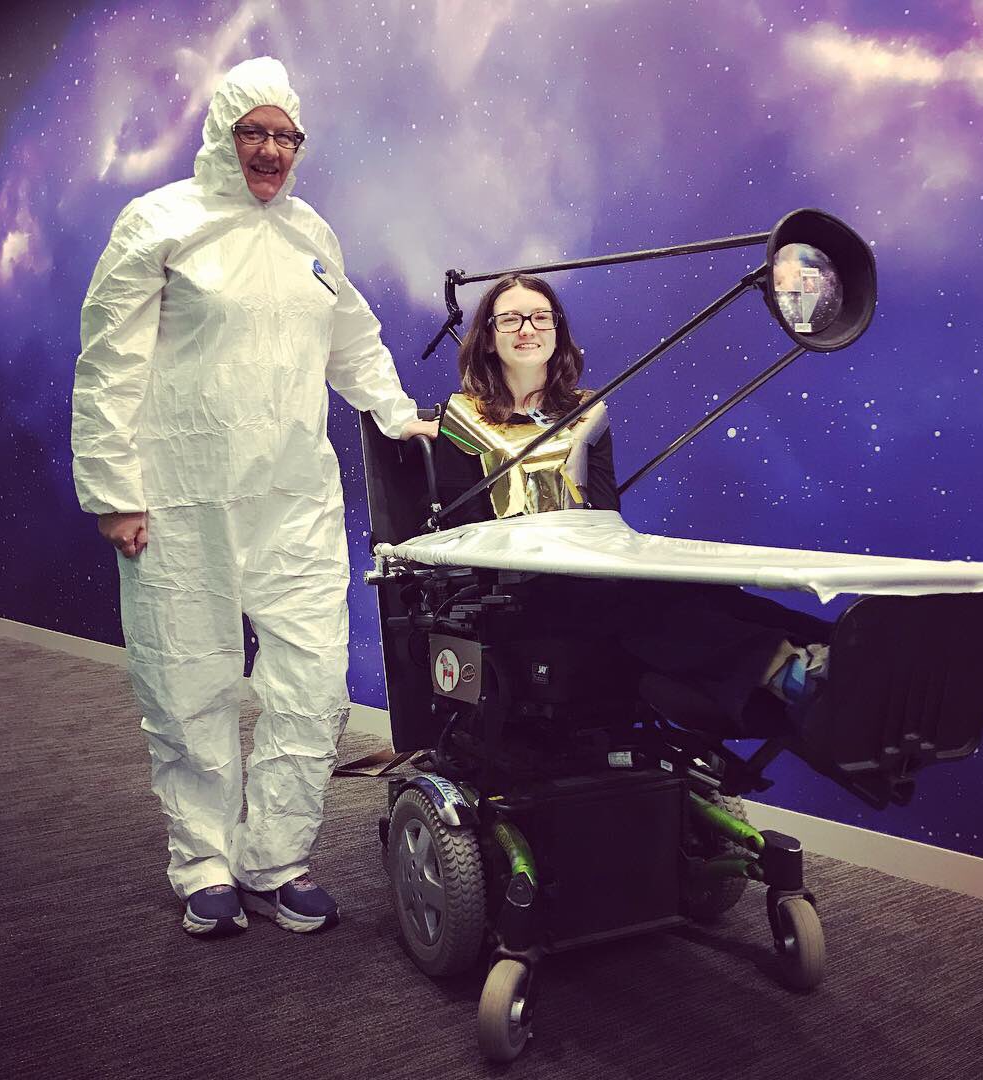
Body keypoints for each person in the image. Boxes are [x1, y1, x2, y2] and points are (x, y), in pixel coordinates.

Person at [71, 57, 437, 937]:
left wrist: (396, 413)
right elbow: (110, 362)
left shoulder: (311, 234)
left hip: (293, 497)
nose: (271, 151)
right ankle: (204, 861)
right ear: (221, 134)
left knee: (312, 681)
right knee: (189, 679)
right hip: (181, 496)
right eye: (254, 133)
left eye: (286, 136)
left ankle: (276, 858)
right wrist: (113, 490)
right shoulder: (161, 222)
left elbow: (352, 339)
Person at [432, 274, 830, 730]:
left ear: (557, 330)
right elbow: (466, 533)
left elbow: (605, 514)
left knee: (694, 587)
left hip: (590, 567)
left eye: (541, 317)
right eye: (510, 319)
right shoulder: (464, 417)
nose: (528, 329)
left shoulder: (587, 411)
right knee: (636, 601)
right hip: (516, 591)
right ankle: (787, 669)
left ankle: (837, 648)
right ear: (487, 337)